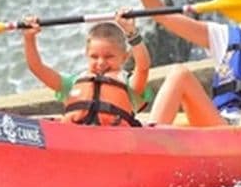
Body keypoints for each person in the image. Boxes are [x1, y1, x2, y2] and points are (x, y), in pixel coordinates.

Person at [22, 9, 152, 126]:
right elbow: (37, 68)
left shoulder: (129, 84)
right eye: (94, 57)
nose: (101, 62)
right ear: (86, 55)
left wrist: (132, 33)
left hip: (117, 144)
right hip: (77, 143)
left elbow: (143, 67)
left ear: (125, 57)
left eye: (109, 57)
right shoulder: (73, 82)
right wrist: (29, 38)